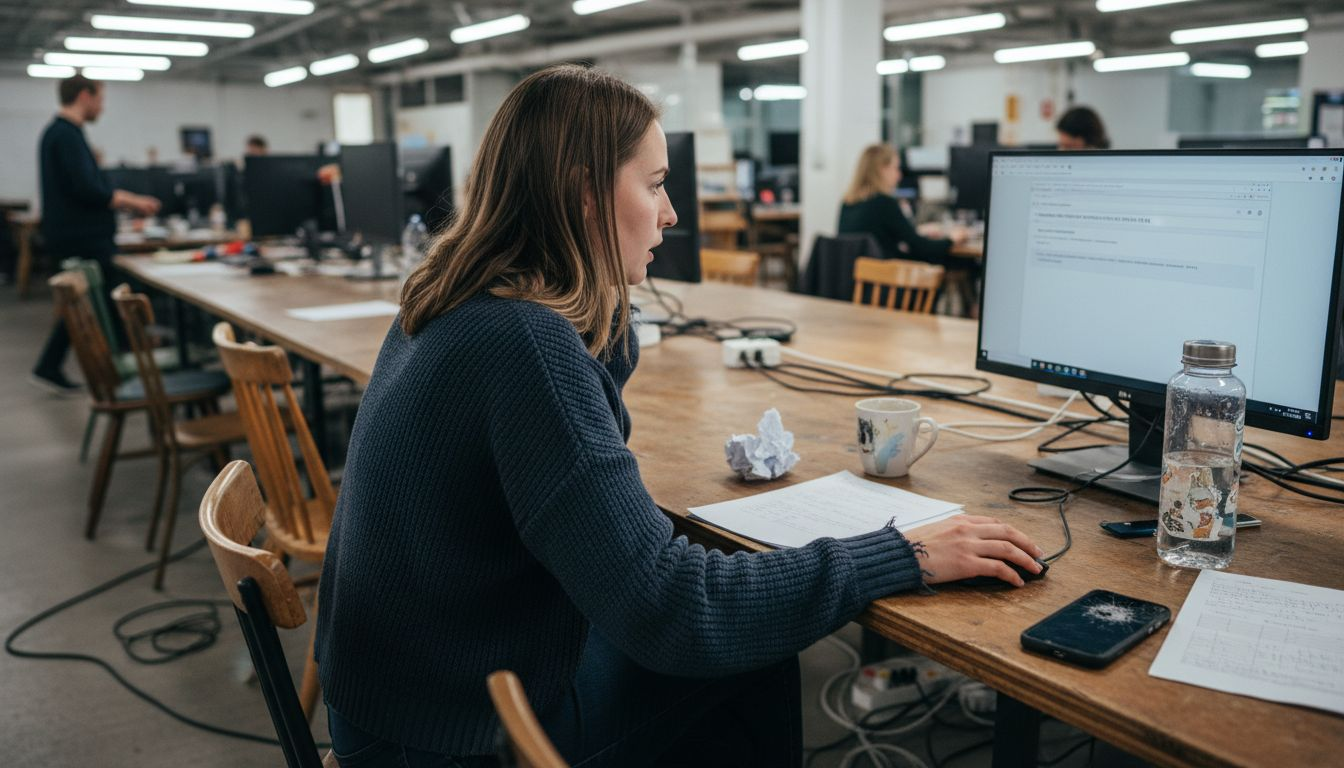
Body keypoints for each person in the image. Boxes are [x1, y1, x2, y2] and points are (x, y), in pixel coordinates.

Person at [315, 64, 1043, 768]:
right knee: (749, 653)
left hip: (401, 696)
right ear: (586, 194)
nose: (670, 213)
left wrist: (604, 302)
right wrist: (904, 554)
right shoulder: (526, 342)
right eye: (656, 184)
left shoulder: (454, 299)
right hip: (451, 735)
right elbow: (674, 612)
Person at [30, 75, 159, 394]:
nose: (102, 107)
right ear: (84, 96)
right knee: (101, 303)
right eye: (100, 99)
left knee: (85, 306)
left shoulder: (61, 133)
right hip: (82, 237)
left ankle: (55, 365)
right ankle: (125, 368)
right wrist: (131, 200)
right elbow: (88, 189)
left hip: (74, 234)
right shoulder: (66, 135)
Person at [837, 143, 966, 265]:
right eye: (896, 168)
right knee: (956, 263)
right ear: (882, 170)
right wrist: (952, 239)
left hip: (855, 276)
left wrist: (917, 231)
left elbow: (881, 235)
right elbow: (921, 247)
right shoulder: (883, 202)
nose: (899, 176)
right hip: (885, 276)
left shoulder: (847, 202)